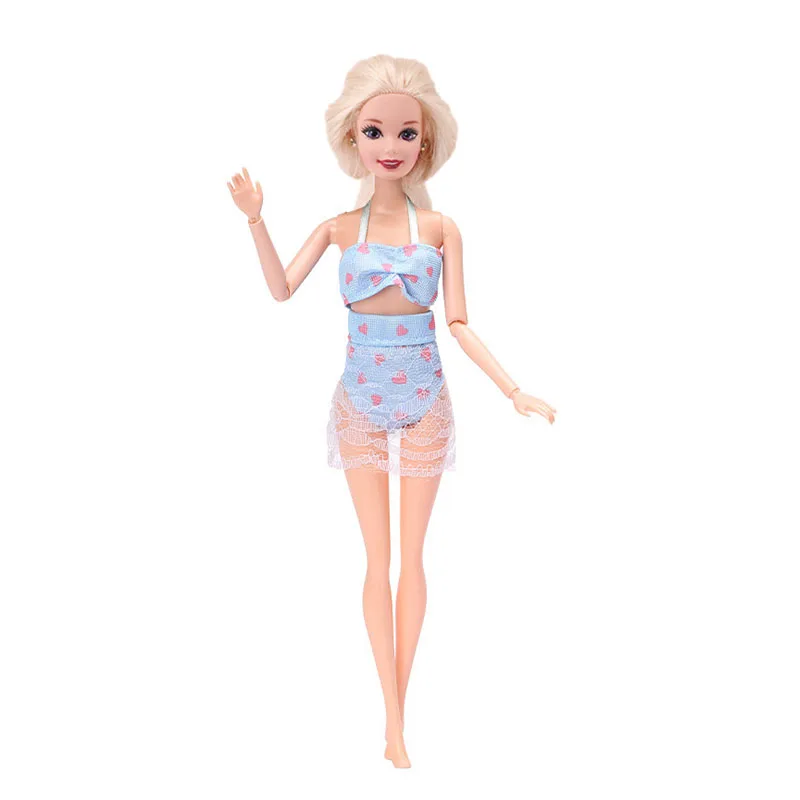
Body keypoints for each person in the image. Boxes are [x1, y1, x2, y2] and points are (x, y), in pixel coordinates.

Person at [227, 54, 557, 768]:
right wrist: (256, 221)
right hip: (359, 400)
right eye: (375, 131)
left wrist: (512, 389)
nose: (390, 146)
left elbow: (459, 322)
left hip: (426, 398)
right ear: (352, 137)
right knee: (376, 560)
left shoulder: (440, 228)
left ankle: (396, 722)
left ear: (425, 141)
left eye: (406, 133)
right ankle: (393, 720)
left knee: (413, 559)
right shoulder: (338, 229)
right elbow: (281, 290)